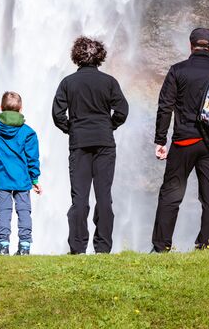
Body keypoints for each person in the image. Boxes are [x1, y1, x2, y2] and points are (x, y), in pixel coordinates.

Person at [151, 27, 209, 252]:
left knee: (171, 194)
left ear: (190, 45)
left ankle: (161, 246)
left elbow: (165, 107)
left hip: (183, 142)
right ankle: (207, 245)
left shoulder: (177, 71)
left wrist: (160, 139)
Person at [52, 36, 129, 254]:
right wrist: (110, 125)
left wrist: (71, 128)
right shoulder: (109, 82)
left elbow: (57, 114)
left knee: (80, 197)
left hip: (79, 143)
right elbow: (122, 110)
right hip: (105, 142)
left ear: (76, 56)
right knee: (104, 196)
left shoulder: (68, 83)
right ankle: (103, 247)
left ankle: (77, 247)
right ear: (100, 57)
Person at [0, 91, 42, 255]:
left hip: (1, 178)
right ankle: (25, 245)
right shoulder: (28, 132)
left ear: (0, 107)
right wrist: (34, 179)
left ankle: (2, 245)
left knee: (4, 212)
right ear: (21, 108)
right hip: (22, 180)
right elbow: (32, 158)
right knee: (24, 211)